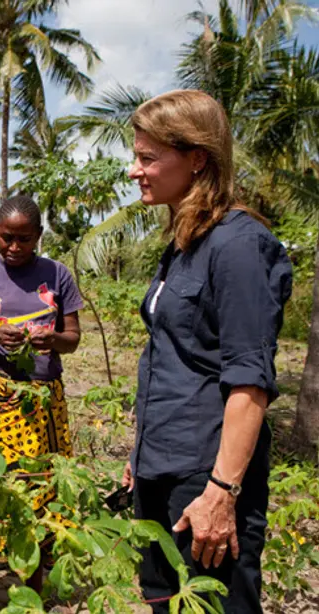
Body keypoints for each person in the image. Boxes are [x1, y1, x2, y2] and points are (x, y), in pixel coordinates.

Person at [121, 90, 292, 613]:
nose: (134, 170)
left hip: (204, 475)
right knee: (164, 599)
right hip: (159, 467)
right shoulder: (184, 242)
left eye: (148, 158)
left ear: (197, 159)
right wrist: (139, 454)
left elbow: (250, 381)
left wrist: (221, 491)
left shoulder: (238, 246)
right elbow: (174, 358)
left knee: (216, 604)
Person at [0, 195, 83, 611]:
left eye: (24, 239)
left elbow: (73, 338)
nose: (14, 246)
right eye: (6, 237)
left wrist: (52, 339)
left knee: (39, 490)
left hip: (42, 402)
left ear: (39, 235)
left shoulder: (57, 274)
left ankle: (32, 590)